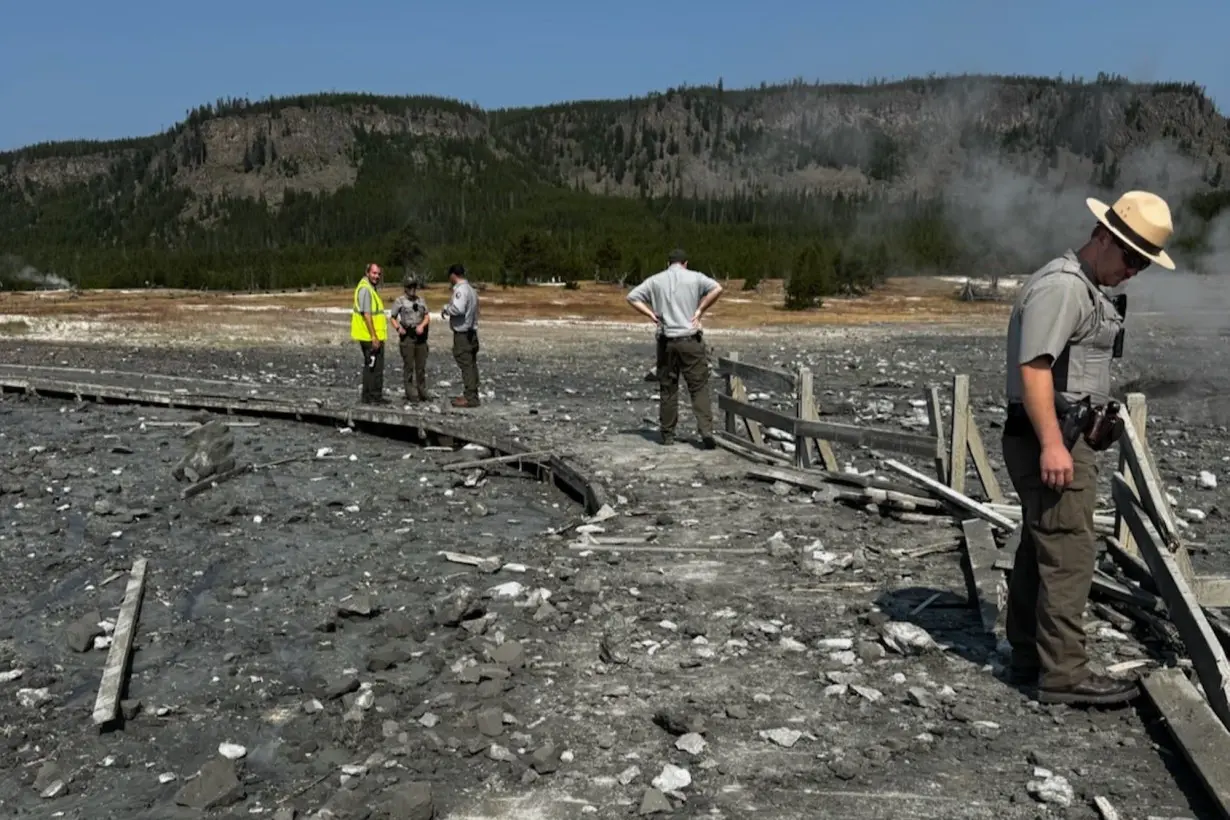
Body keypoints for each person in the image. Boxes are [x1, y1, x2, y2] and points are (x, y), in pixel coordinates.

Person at [1001, 189, 1176, 706]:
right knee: (1070, 550)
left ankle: (1030, 656)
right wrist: (1054, 444)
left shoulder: (1083, 287)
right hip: (1051, 436)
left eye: (1143, 263)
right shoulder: (1064, 288)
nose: (1134, 270)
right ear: (1103, 236)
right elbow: (1033, 369)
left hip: (1059, 433)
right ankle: (1064, 675)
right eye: (1130, 257)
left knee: (1043, 545)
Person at [626, 248, 724, 448]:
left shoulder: (655, 280)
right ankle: (706, 431)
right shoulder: (695, 278)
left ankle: (668, 434)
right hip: (690, 338)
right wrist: (700, 310)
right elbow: (717, 288)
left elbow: (632, 297)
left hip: (666, 340)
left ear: (668, 263)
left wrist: (651, 314)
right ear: (685, 263)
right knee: (698, 387)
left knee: (668, 388)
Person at [441, 263, 481, 408]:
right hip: (472, 331)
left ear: (453, 275)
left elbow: (458, 308)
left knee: (466, 364)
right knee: (471, 363)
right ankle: (472, 392)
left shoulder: (461, 291)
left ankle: (470, 397)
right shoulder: (471, 290)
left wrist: (446, 309)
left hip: (463, 333)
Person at [389, 273, 432, 402]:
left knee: (421, 366)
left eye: (414, 286)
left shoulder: (421, 301)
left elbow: (427, 316)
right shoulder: (400, 301)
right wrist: (398, 328)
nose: (412, 289)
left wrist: (422, 326)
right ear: (405, 287)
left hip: (420, 336)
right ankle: (410, 392)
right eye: (410, 286)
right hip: (407, 335)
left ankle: (422, 390)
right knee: (409, 366)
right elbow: (392, 317)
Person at [350, 262, 388, 404]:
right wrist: (374, 336)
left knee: (370, 365)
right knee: (374, 367)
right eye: (374, 273)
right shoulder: (365, 289)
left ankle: (369, 396)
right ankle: (373, 396)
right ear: (367, 273)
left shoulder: (369, 288)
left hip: (369, 335)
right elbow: (367, 314)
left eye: (378, 273)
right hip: (369, 336)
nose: (377, 276)